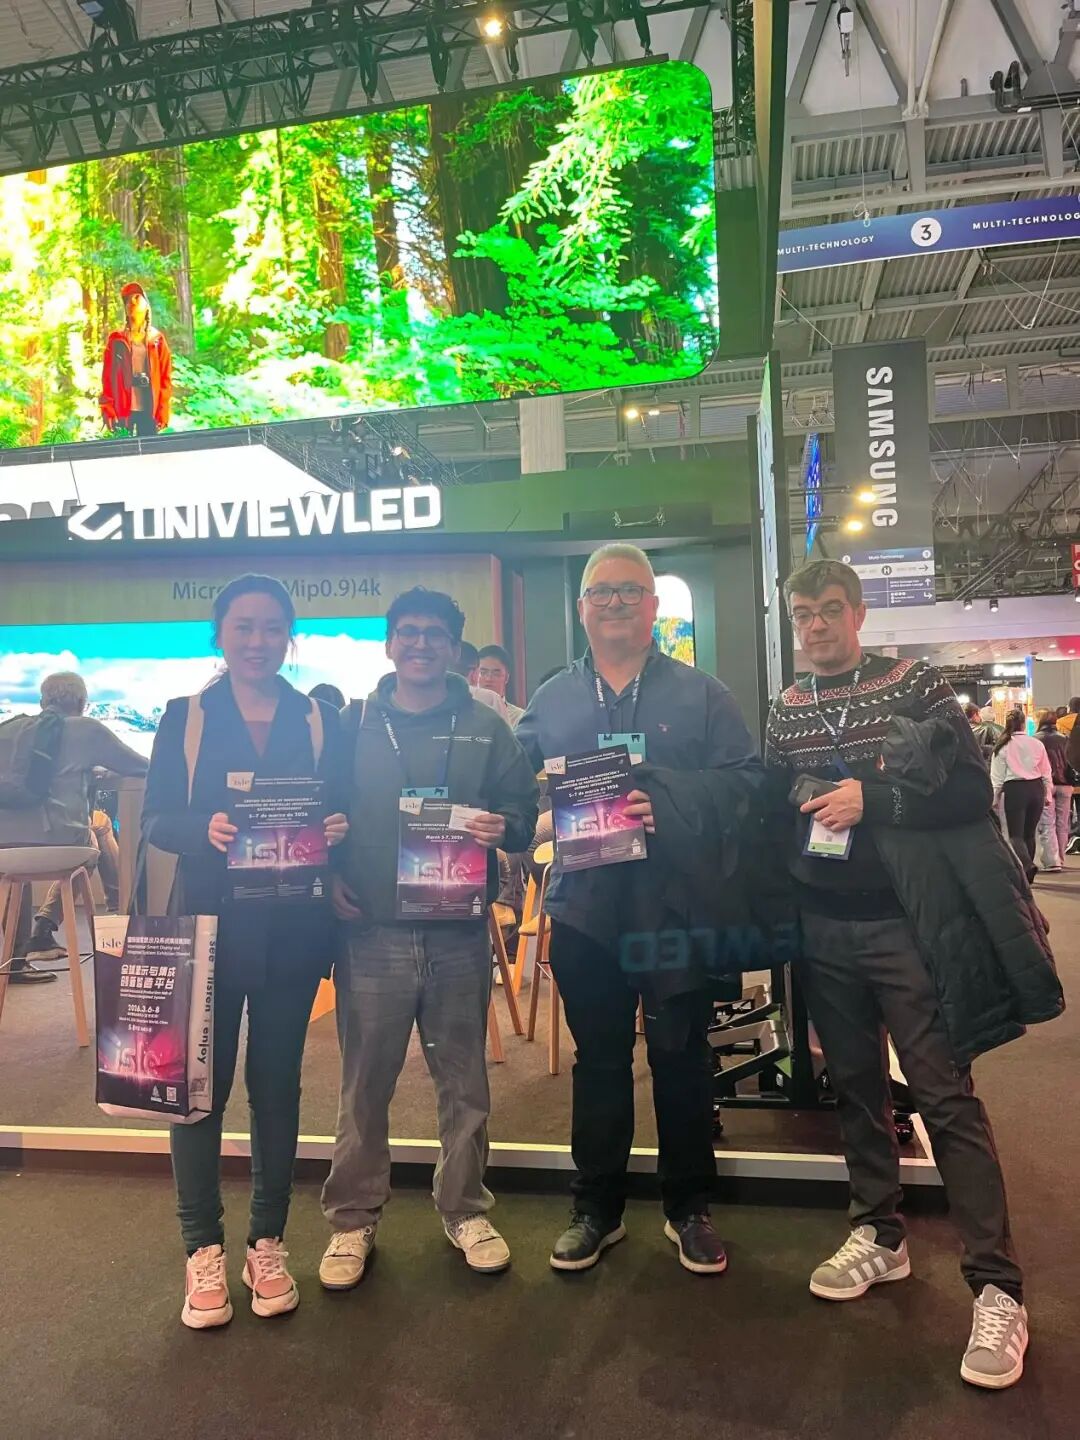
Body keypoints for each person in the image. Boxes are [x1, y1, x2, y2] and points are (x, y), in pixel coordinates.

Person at [765, 559, 1062, 1391]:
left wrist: (876, 800)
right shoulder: (786, 708)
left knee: (944, 1097)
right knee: (857, 1089)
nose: (816, 626)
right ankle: (879, 1233)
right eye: (803, 614)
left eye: (830, 610)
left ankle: (998, 1287)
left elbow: (969, 792)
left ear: (859, 614)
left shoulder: (914, 684)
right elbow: (772, 802)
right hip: (825, 927)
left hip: (909, 926)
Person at [516, 543, 763, 1276]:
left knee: (681, 1058)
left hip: (674, 909)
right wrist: (528, 819)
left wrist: (671, 802)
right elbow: (515, 788)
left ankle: (689, 1208)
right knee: (598, 1061)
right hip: (586, 909)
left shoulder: (702, 694)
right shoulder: (552, 698)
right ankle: (597, 1208)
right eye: (602, 592)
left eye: (631, 591)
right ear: (582, 608)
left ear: (655, 606)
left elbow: (747, 783)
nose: (616, 603)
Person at [142, 574, 349, 1330]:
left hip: (293, 931)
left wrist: (337, 828)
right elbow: (157, 819)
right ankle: (202, 1248)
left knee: (277, 1088)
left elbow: (340, 807)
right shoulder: (187, 717)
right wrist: (204, 829)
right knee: (198, 1091)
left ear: (289, 636)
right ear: (219, 636)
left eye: (271, 628)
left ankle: (267, 1242)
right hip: (210, 931)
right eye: (243, 627)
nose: (258, 641)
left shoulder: (319, 717)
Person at [319, 587, 538, 1286]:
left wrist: (506, 827)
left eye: (434, 634)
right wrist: (327, 873)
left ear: (453, 648)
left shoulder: (487, 726)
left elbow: (523, 811)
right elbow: (319, 812)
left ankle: (465, 1208)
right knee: (364, 1085)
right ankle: (352, 1220)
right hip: (371, 930)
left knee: (464, 1082)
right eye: (408, 632)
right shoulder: (350, 724)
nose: (420, 644)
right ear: (389, 643)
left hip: (457, 931)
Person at [0, 671, 147, 982]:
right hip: (60, 844)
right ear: (82, 703)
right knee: (92, 837)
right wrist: (98, 770)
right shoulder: (87, 729)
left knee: (19, 862)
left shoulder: (10, 729)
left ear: (42, 702)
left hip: (4, 848)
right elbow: (141, 766)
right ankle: (56, 924)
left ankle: (16, 958)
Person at [100, 281, 173, 436]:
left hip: (149, 409)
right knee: (123, 449)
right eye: (127, 300)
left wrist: (163, 410)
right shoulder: (116, 340)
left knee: (148, 448)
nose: (132, 301)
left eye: (137, 297)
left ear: (147, 307)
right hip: (122, 410)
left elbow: (165, 379)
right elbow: (107, 378)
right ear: (125, 311)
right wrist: (107, 408)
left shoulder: (157, 340)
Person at [990, 709, 1052, 883]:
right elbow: (1046, 771)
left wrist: (994, 799)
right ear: (1024, 723)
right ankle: (1028, 875)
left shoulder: (1002, 746)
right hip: (1036, 788)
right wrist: (1048, 794)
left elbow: (997, 778)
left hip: (1015, 790)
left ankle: (1027, 866)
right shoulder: (1036, 744)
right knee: (1030, 834)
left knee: (1015, 835)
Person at [1033, 709, 1073, 872]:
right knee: (1063, 823)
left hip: (1046, 785)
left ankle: (1052, 860)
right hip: (1066, 785)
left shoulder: (1035, 740)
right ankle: (1061, 858)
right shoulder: (1065, 739)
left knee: (1047, 823)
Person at [477, 645, 525, 727]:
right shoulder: (464, 713)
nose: (488, 679)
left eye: (496, 674)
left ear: (506, 678)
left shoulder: (520, 717)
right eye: (483, 673)